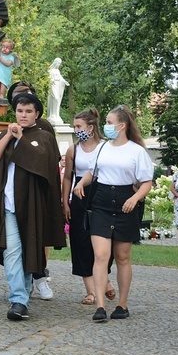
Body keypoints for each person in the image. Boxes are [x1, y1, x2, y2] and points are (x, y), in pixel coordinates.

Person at [0, 91, 65, 321]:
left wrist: (20, 139)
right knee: (12, 251)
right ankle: (18, 299)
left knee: (28, 249)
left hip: (31, 205)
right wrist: (8, 136)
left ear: (36, 113)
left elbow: (40, 161)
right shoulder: (5, 133)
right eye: (20, 111)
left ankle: (22, 295)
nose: (23, 115)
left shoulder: (43, 136)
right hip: (6, 205)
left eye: (28, 111)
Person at [73, 105, 154, 322]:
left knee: (122, 257)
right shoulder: (102, 148)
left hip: (126, 203)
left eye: (109, 123)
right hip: (101, 203)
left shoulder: (137, 151)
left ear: (122, 125)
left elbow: (147, 182)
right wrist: (81, 183)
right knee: (100, 255)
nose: (106, 127)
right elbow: (92, 171)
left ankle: (122, 304)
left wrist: (135, 199)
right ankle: (100, 305)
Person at [61, 108, 116, 306]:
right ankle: (91, 291)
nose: (76, 130)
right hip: (78, 198)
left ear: (90, 127)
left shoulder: (105, 147)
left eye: (79, 126)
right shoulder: (73, 150)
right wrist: (65, 202)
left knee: (102, 242)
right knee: (81, 242)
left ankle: (106, 279)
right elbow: (67, 177)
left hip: (100, 195)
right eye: (75, 126)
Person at [46, 58, 69, 126]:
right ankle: (52, 114)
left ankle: (56, 114)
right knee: (55, 98)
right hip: (53, 85)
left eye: (60, 63)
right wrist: (52, 80)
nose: (59, 65)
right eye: (58, 63)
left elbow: (60, 78)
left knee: (58, 99)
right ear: (55, 62)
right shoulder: (51, 70)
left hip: (58, 86)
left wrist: (64, 81)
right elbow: (49, 79)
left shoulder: (58, 71)